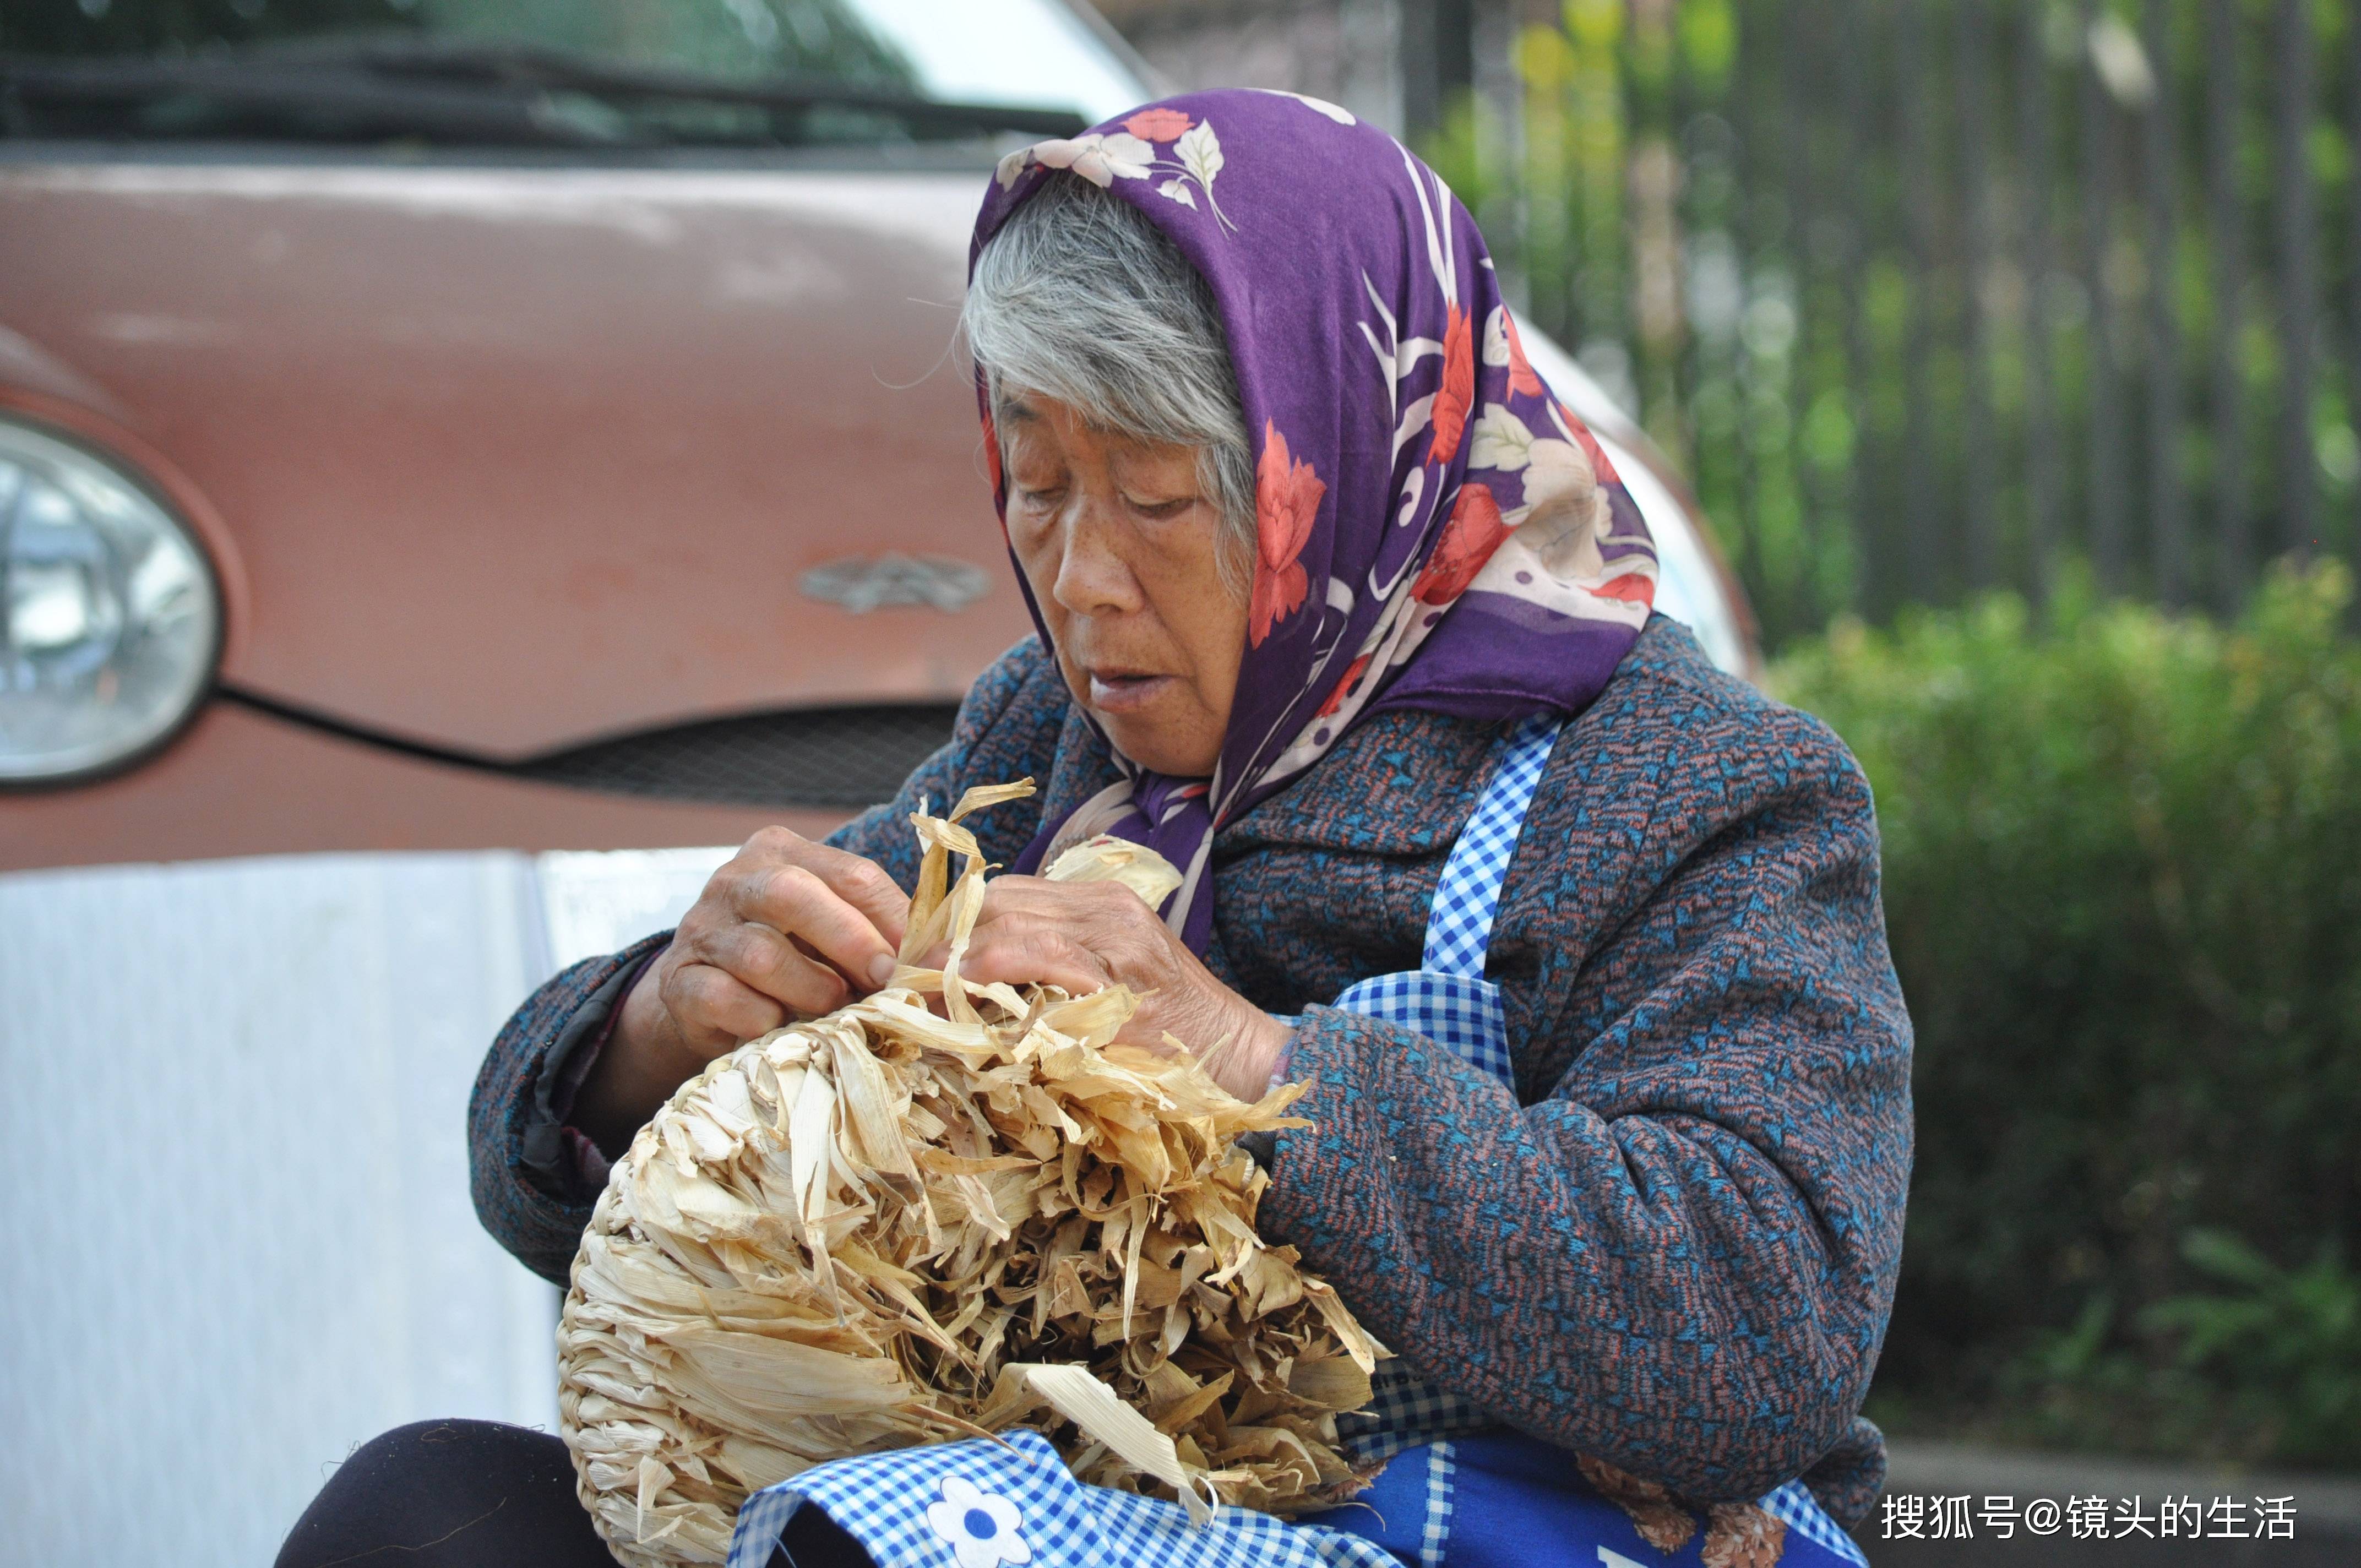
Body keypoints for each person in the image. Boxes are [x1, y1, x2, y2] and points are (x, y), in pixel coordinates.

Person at [279, 90, 1910, 1568]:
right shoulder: (1045, 743)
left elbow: (1765, 1322)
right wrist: (656, 1033)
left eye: (1154, 495)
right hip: (1070, 1515)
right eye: (1038, 483)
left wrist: (1253, 1065)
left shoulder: (1684, 782)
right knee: (423, 1518)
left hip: (1512, 1535)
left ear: (1343, 458)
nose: (1082, 580)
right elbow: (551, 1178)